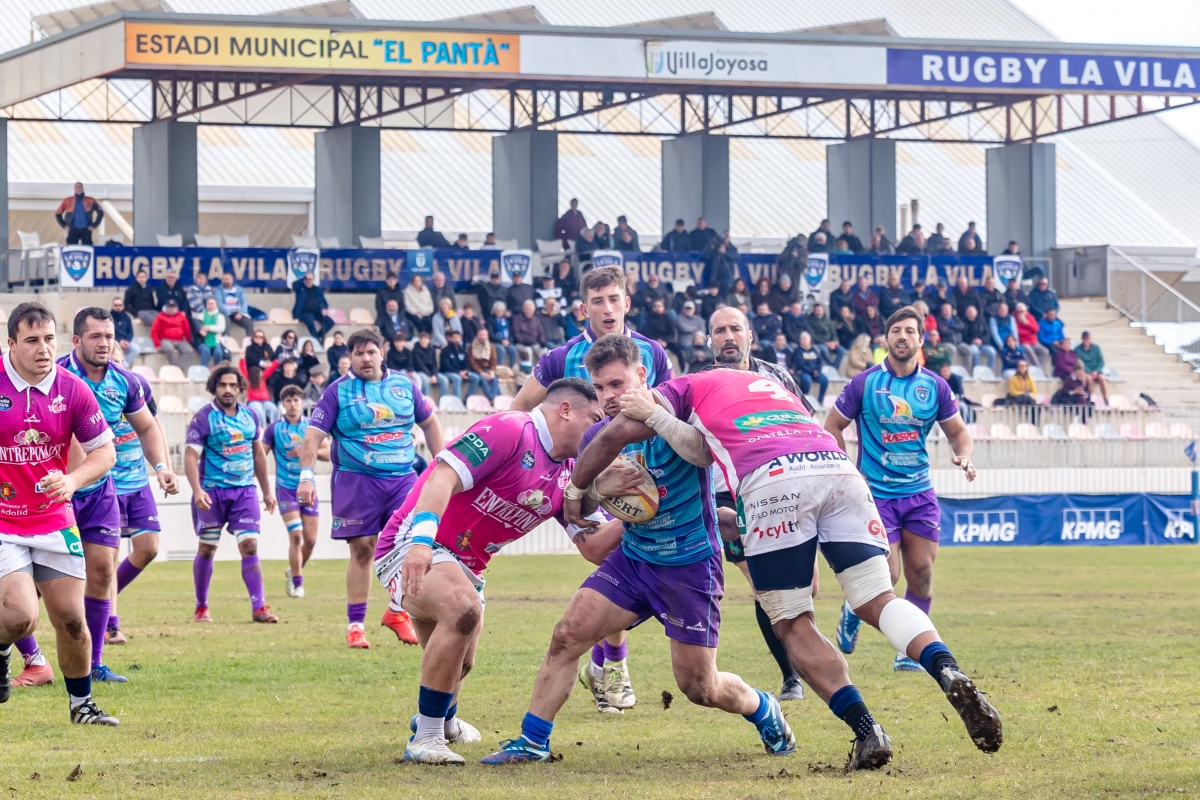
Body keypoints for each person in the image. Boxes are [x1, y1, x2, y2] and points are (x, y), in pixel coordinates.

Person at [565, 361, 1003, 769]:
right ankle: (947, 668)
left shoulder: (683, 386)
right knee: (878, 598)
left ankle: (868, 731)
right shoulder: (773, 388)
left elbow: (660, 441)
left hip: (773, 482)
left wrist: (581, 488)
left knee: (793, 622)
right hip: (838, 470)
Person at [483, 337, 795, 765]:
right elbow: (583, 508)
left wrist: (654, 417)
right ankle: (533, 741)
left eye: (617, 384)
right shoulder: (596, 435)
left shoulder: (680, 413)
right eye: (601, 388)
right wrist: (597, 488)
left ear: (642, 376)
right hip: (635, 559)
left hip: (689, 565)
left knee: (699, 687)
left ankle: (763, 707)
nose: (609, 397)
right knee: (567, 634)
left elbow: (702, 455)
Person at [372, 378, 601, 764]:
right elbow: (441, 475)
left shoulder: (573, 473)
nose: (600, 431)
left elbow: (593, 546)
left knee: (462, 660)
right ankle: (424, 739)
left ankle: (442, 722)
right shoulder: (512, 429)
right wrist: (420, 543)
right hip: (411, 542)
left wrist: (641, 513)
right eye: (595, 419)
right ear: (566, 410)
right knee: (463, 610)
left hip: (467, 564)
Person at [509, 265, 672, 712]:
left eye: (613, 299)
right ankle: (612, 664)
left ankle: (607, 667)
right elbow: (520, 410)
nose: (606, 308)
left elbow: (669, 408)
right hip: (575, 475)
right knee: (605, 553)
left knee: (615, 557)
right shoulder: (559, 358)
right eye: (597, 300)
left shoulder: (653, 353)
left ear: (627, 303)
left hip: (634, 471)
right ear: (583, 307)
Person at [15, 308, 176, 690]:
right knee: (27, 586)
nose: (104, 344)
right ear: (76, 341)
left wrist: (161, 466)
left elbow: (147, 426)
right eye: (95, 336)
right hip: (45, 493)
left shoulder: (125, 381)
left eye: (109, 336)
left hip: (99, 486)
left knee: (103, 571)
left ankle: (96, 662)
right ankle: (33, 657)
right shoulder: (54, 377)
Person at [825, 305, 981, 667]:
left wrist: (965, 456)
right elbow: (832, 426)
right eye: (896, 331)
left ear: (921, 340)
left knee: (922, 573)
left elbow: (959, 433)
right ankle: (853, 608)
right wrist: (848, 467)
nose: (902, 336)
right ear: (885, 339)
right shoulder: (865, 383)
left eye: (910, 331)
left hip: (919, 493)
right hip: (876, 494)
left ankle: (907, 652)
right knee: (888, 574)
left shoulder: (935, 386)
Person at [0, 303, 120, 723]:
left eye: (49, 339)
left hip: (53, 518)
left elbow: (105, 452)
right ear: (11, 343)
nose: (43, 349)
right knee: (19, 616)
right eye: (32, 340)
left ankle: (81, 706)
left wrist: (71, 481)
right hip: (4, 522)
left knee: (72, 620)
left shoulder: (72, 389)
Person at [298, 329, 444, 648]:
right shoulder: (337, 393)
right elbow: (312, 436)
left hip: (402, 478)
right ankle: (355, 625)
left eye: (371, 352)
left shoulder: (405, 386)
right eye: (359, 353)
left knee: (414, 542)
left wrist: (442, 465)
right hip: (356, 480)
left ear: (382, 353)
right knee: (363, 548)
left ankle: (396, 611)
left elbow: (430, 423)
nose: (366, 358)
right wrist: (306, 475)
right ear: (349, 357)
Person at [694, 307, 810, 701]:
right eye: (719, 330)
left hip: (780, 487)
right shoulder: (700, 382)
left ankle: (801, 664)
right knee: (765, 584)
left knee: (803, 586)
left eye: (735, 329)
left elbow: (805, 424)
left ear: (750, 336)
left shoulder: (777, 377)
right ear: (710, 340)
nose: (728, 336)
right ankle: (792, 676)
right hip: (728, 494)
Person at [185, 365, 278, 624]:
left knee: (249, 546)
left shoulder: (250, 416)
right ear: (214, 387)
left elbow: (258, 454)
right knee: (206, 549)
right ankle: (201, 607)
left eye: (232, 385)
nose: (227, 390)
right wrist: (197, 491)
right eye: (222, 385)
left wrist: (267, 491)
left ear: (240, 388)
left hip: (244, 491)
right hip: (212, 492)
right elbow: (191, 456)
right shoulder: (203, 418)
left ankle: (259, 607)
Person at [263, 385, 329, 600]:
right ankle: (297, 583)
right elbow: (260, 455)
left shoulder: (311, 427)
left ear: (302, 403)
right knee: (296, 535)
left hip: (308, 487)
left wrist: (309, 451)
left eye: (296, 401)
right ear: (283, 404)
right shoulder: (274, 429)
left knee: (310, 540)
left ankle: (294, 569)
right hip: (285, 489)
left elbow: (328, 453)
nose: (292, 405)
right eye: (288, 401)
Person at [151, 299, 195, 368]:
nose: (171, 309)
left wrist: (188, 341)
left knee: (189, 351)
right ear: (166, 308)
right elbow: (154, 331)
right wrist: (157, 344)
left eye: (173, 307)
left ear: (176, 308)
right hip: (166, 340)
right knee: (169, 349)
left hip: (180, 340)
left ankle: (180, 369)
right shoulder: (160, 317)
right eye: (169, 307)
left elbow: (187, 329)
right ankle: (173, 366)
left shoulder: (181, 316)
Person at [438, 329, 477, 401]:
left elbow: (467, 364)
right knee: (457, 378)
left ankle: (467, 399)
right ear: (450, 339)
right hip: (448, 372)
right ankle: (457, 401)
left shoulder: (462, 350)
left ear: (460, 339)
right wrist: (459, 372)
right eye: (454, 338)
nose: (456, 340)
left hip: (461, 372)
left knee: (475, 377)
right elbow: (445, 366)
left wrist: (466, 372)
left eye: (458, 338)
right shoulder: (446, 350)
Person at [292, 272, 333, 340]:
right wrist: (303, 278)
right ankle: (316, 340)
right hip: (304, 313)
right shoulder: (300, 288)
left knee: (330, 322)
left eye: (310, 279)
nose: (308, 281)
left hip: (317, 312)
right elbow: (294, 285)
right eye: (306, 279)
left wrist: (323, 309)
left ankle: (319, 336)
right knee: (309, 321)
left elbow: (324, 303)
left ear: (313, 279)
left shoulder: (317, 290)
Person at [1013, 302, 1051, 375]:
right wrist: (1029, 332)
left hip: (1033, 341)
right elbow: (1018, 332)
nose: (1019, 313)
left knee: (1045, 351)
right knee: (1030, 351)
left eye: (1021, 311)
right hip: (1023, 342)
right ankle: (1040, 371)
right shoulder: (1014, 318)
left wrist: (1026, 323)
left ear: (1025, 311)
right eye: (1018, 312)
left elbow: (1036, 329)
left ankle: (1038, 369)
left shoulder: (1030, 317)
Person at [790, 331, 828, 403]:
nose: (804, 341)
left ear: (810, 340)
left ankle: (820, 400)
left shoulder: (814, 350)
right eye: (803, 339)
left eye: (806, 339)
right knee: (807, 380)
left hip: (815, 372)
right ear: (800, 340)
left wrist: (817, 370)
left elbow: (819, 362)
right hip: (804, 372)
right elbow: (800, 364)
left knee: (825, 380)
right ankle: (804, 400)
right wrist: (811, 371)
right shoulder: (797, 351)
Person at [215, 272, 256, 338]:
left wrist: (241, 313)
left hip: (238, 313)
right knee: (226, 323)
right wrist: (229, 313)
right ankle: (226, 343)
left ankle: (251, 342)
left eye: (227, 279)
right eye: (223, 279)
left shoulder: (239, 289)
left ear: (232, 280)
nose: (225, 281)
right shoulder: (218, 290)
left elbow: (244, 302)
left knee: (249, 323)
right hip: (225, 313)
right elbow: (219, 304)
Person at [1074, 332, 1109, 401]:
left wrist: (1096, 371)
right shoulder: (1077, 350)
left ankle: (1105, 398)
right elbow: (1080, 363)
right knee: (1088, 379)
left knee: (1102, 378)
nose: (1087, 340)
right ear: (1082, 339)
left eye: (1088, 338)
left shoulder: (1096, 348)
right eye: (1085, 338)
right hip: (1086, 372)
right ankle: (1090, 398)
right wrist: (1089, 372)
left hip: (1096, 371)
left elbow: (1101, 361)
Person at [468, 327, 501, 401]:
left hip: (488, 370)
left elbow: (493, 361)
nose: (482, 337)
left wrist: (492, 371)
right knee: (483, 380)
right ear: (477, 335)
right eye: (480, 335)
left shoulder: (491, 346)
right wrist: (481, 372)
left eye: (484, 335)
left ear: (487, 336)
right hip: (476, 371)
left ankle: (494, 398)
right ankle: (491, 398)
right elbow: (472, 362)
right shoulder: (471, 346)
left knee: (494, 379)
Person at [961, 306, 997, 372]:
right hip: (971, 343)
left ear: (976, 313)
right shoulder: (964, 323)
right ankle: (977, 370)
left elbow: (987, 333)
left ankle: (990, 371)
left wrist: (982, 340)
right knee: (974, 352)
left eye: (971, 313)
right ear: (966, 314)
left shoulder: (982, 321)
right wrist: (972, 340)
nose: (970, 314)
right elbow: (964, 337)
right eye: (968, 313)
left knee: (992, 352)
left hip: (983, 343)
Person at [808, 303, 843, 369]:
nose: (818, 312)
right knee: (824, 349)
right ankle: (831, 365)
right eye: (816, 310)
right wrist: (825, 343)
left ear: (823, 310)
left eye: (819, 310)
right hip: (819, 343)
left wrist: (835, 340)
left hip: (830, 342)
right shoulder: (810, 321)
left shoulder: (828, 320)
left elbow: (833, 333)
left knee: (842, 350)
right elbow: (813, 335)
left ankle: (834, 367)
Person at [196, 297, 227, 368]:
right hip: (202, 340)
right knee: (206, 351)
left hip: (216, 340)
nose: (210, 305)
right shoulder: (201, 315)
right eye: (208, 304)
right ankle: (204, 370)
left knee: (218, 353)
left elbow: (221, 328)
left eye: (212, 304)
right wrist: (201, 330)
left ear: (216, 305)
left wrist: (209, 328)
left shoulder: (220, 316)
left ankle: (216, 370)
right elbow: (197, 326)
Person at [486, 301, 519, 368]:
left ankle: (511, 368)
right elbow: (491, 334)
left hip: (507, 341)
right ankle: (499, 368)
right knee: (501, 349)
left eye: (501, 311)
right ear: (494, 311)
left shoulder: (507, 320)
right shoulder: (490, 320)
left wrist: (509, 341)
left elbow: (511, 333)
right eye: (498, 311)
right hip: (496, 342)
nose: (499, 312)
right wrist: (501, 341)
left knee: (513, 349)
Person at [110, 296, 139, 365]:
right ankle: (122, 367)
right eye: (116, 305)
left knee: (136, 349)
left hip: (126, 341)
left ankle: (125, 365)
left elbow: (130, 332)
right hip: (114, 341)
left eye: (120, 305)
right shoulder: (108, 317)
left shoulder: (127, 317)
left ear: (123, 306)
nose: (118, 307)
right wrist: (119, 341)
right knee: (118, 352)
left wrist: (127, 341)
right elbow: (109, 332)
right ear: (112, 306)